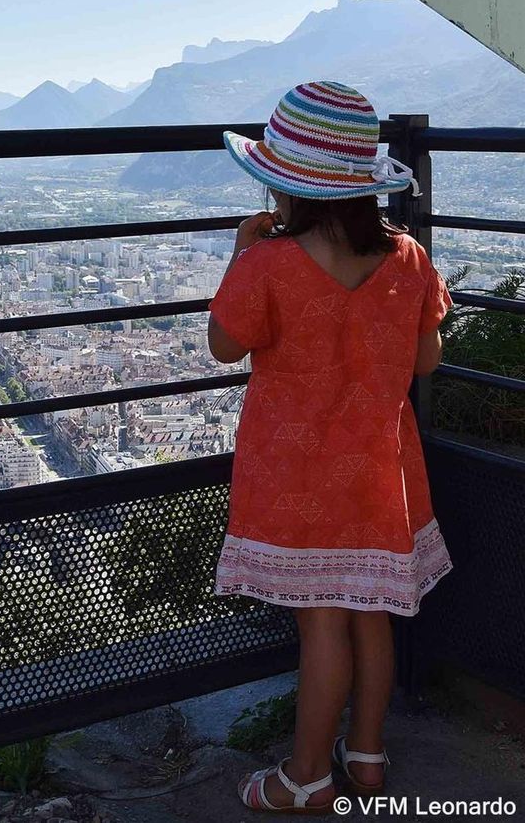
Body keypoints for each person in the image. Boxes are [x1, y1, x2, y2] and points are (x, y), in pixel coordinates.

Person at [209, 81, 452, 813]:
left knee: (322, 624)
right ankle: (367, 759)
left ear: (288, 189)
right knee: (370, 613)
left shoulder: (268, 265)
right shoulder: (408, 257)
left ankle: (306, 776)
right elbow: (427, 360)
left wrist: (238, 254)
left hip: (298, 477)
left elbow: (225, 347)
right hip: (380, 467)